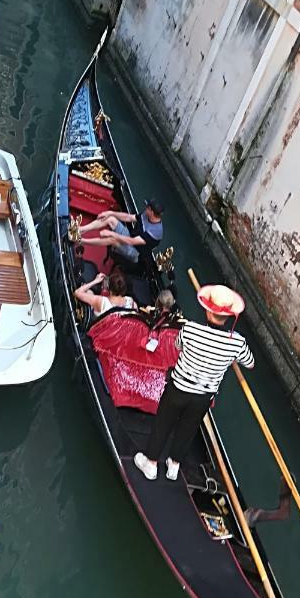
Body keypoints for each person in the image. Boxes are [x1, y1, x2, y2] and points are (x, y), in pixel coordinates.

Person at [134, 284, 254, 482]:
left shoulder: (190, 328)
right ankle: (173, 467)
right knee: (188, 428)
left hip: (179, 387)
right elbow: (250, 363)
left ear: (207, 309)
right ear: (229, 315)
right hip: (203, 397)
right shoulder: (237, 342)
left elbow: (177, 345)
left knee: (164, 423)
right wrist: (227, 354)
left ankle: (151, 464)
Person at [110, 199, 164, 272]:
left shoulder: (155, 231)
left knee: (112, 239)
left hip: (135, 253)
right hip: (131, 238)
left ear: (151, 212)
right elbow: (129, 217)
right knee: (110, 219)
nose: (145, 208)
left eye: (148, 208)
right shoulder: (147, 214)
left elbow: (132, 242)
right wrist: (111, 213)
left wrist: (113, 234)